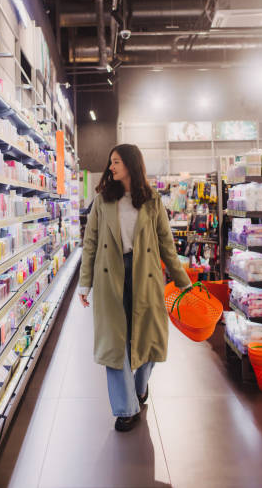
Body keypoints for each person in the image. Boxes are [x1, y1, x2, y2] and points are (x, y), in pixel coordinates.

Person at [78, 144, 192, 432]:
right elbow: (90, 243)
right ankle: (126, 409)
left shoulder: (151, 200)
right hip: (110, 277)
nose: (111, 167)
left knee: (149, 337)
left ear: (130, 164)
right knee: (114, 344)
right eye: (110, 162)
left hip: (146, 276)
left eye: (116, 162)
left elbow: (166, 242)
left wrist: (183, 280)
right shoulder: (103, 200)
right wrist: (84, 283)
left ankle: (140, 389)